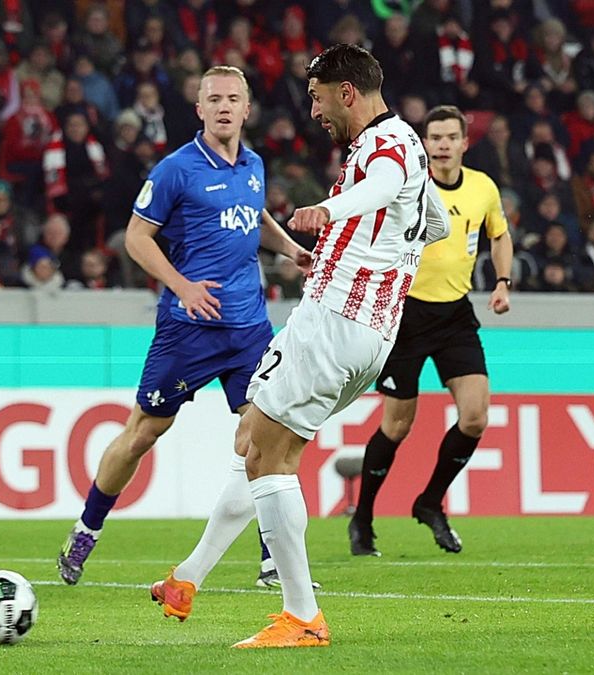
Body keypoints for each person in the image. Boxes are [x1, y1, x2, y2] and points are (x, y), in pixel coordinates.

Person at [55, 66, 313, 592]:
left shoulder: (255, 165)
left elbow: (254, 214)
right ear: (199, 109)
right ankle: (87, 529)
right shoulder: (176, 169)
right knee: (143, 434)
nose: (224, 106)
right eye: (213, 98)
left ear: (246, 109)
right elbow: (136, 238)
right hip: (187, 328)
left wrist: (288, 248)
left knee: (267, 435)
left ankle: (271, 560)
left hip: (248, 329)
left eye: (233, 99)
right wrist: (183, 285)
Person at [227, 44, 449, 648]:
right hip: (369, 331)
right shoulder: (409, 145)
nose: (315, 110)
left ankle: (301, 615)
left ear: (346, 91)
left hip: (335, 320)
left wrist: (330, 209)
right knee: (255, 441)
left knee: (267, 454)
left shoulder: (385, 148)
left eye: (319, 97)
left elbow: (376, 189)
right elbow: (438, 224)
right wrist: (380, 251)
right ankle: (193, 577)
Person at [349, 105, 513, 558]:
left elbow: (498, 234)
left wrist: (502, 282)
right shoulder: (406, 185)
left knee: (476, 415)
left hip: (455, 315)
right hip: (405, 315)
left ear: (464, 142)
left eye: (449, 137)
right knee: (397, 425)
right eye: (433, 137)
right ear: (424, 143)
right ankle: (363, 517)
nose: (441, 144)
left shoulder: (483, 188)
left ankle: (429, 502)